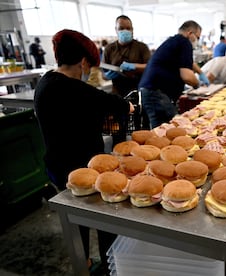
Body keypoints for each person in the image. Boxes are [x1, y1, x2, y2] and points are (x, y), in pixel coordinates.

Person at [34, 29, 134, 275]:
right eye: (90, 65)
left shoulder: (46, 81)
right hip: (80, 170)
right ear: (83, 61)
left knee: (77, 221)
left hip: (57, 165)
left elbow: (78, 113)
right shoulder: (72, 88)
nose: (89, 72)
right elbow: (120, 105)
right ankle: (110, 265)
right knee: (104, 222)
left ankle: (87, 263)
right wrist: (128, 106)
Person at [139, 20, 210, 129]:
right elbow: (186, 76)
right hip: (156, 93)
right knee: (168, 130)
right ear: (190, 33)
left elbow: (188, 62)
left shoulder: (175, 41)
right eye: (198, 37)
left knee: (165, 128)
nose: (197, 41)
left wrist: (200, 73)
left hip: (151, 90)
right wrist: (198, 84)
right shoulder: (184, 42)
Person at [103, 15, 152, 143]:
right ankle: (118, 151)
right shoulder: (110, 49)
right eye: (121, 28)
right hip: (118, 93)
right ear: (116, 29)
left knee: (141, 129)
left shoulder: (141, 47)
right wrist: (108, 74)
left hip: (139, 93)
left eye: (128, 28)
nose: (125, 30)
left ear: (133, 29)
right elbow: (102, 71)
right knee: (118, 130)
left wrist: (134, 66)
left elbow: (150, 66)